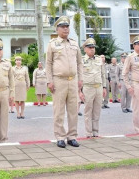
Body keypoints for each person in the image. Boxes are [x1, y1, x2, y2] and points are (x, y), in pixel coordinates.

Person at [46, 16, 83, 148]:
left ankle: (72, 136)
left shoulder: (74, 43)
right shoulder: (52, 44)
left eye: (67, 26)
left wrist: (80, 79)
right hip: (59, 81)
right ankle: (60, 136)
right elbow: (48, 64)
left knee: (73, 110)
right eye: (63, 27)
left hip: (73, 81)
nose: (65, 29)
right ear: (57, 29)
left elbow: (79, 62)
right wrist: (49, 81)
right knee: (59, 110)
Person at [81, 38, 107, 138]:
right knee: (88, 110)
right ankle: (88, 132)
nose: (92, 49)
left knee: (97, 110)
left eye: (93, 47)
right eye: (90, 47)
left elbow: (103, 74)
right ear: (85, 49)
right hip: (88, 88)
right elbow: (79, 76)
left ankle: (95, 131)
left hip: (99, 87)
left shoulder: (99, 59)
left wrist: (104, 87)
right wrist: (80, 91)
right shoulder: (82, 60)